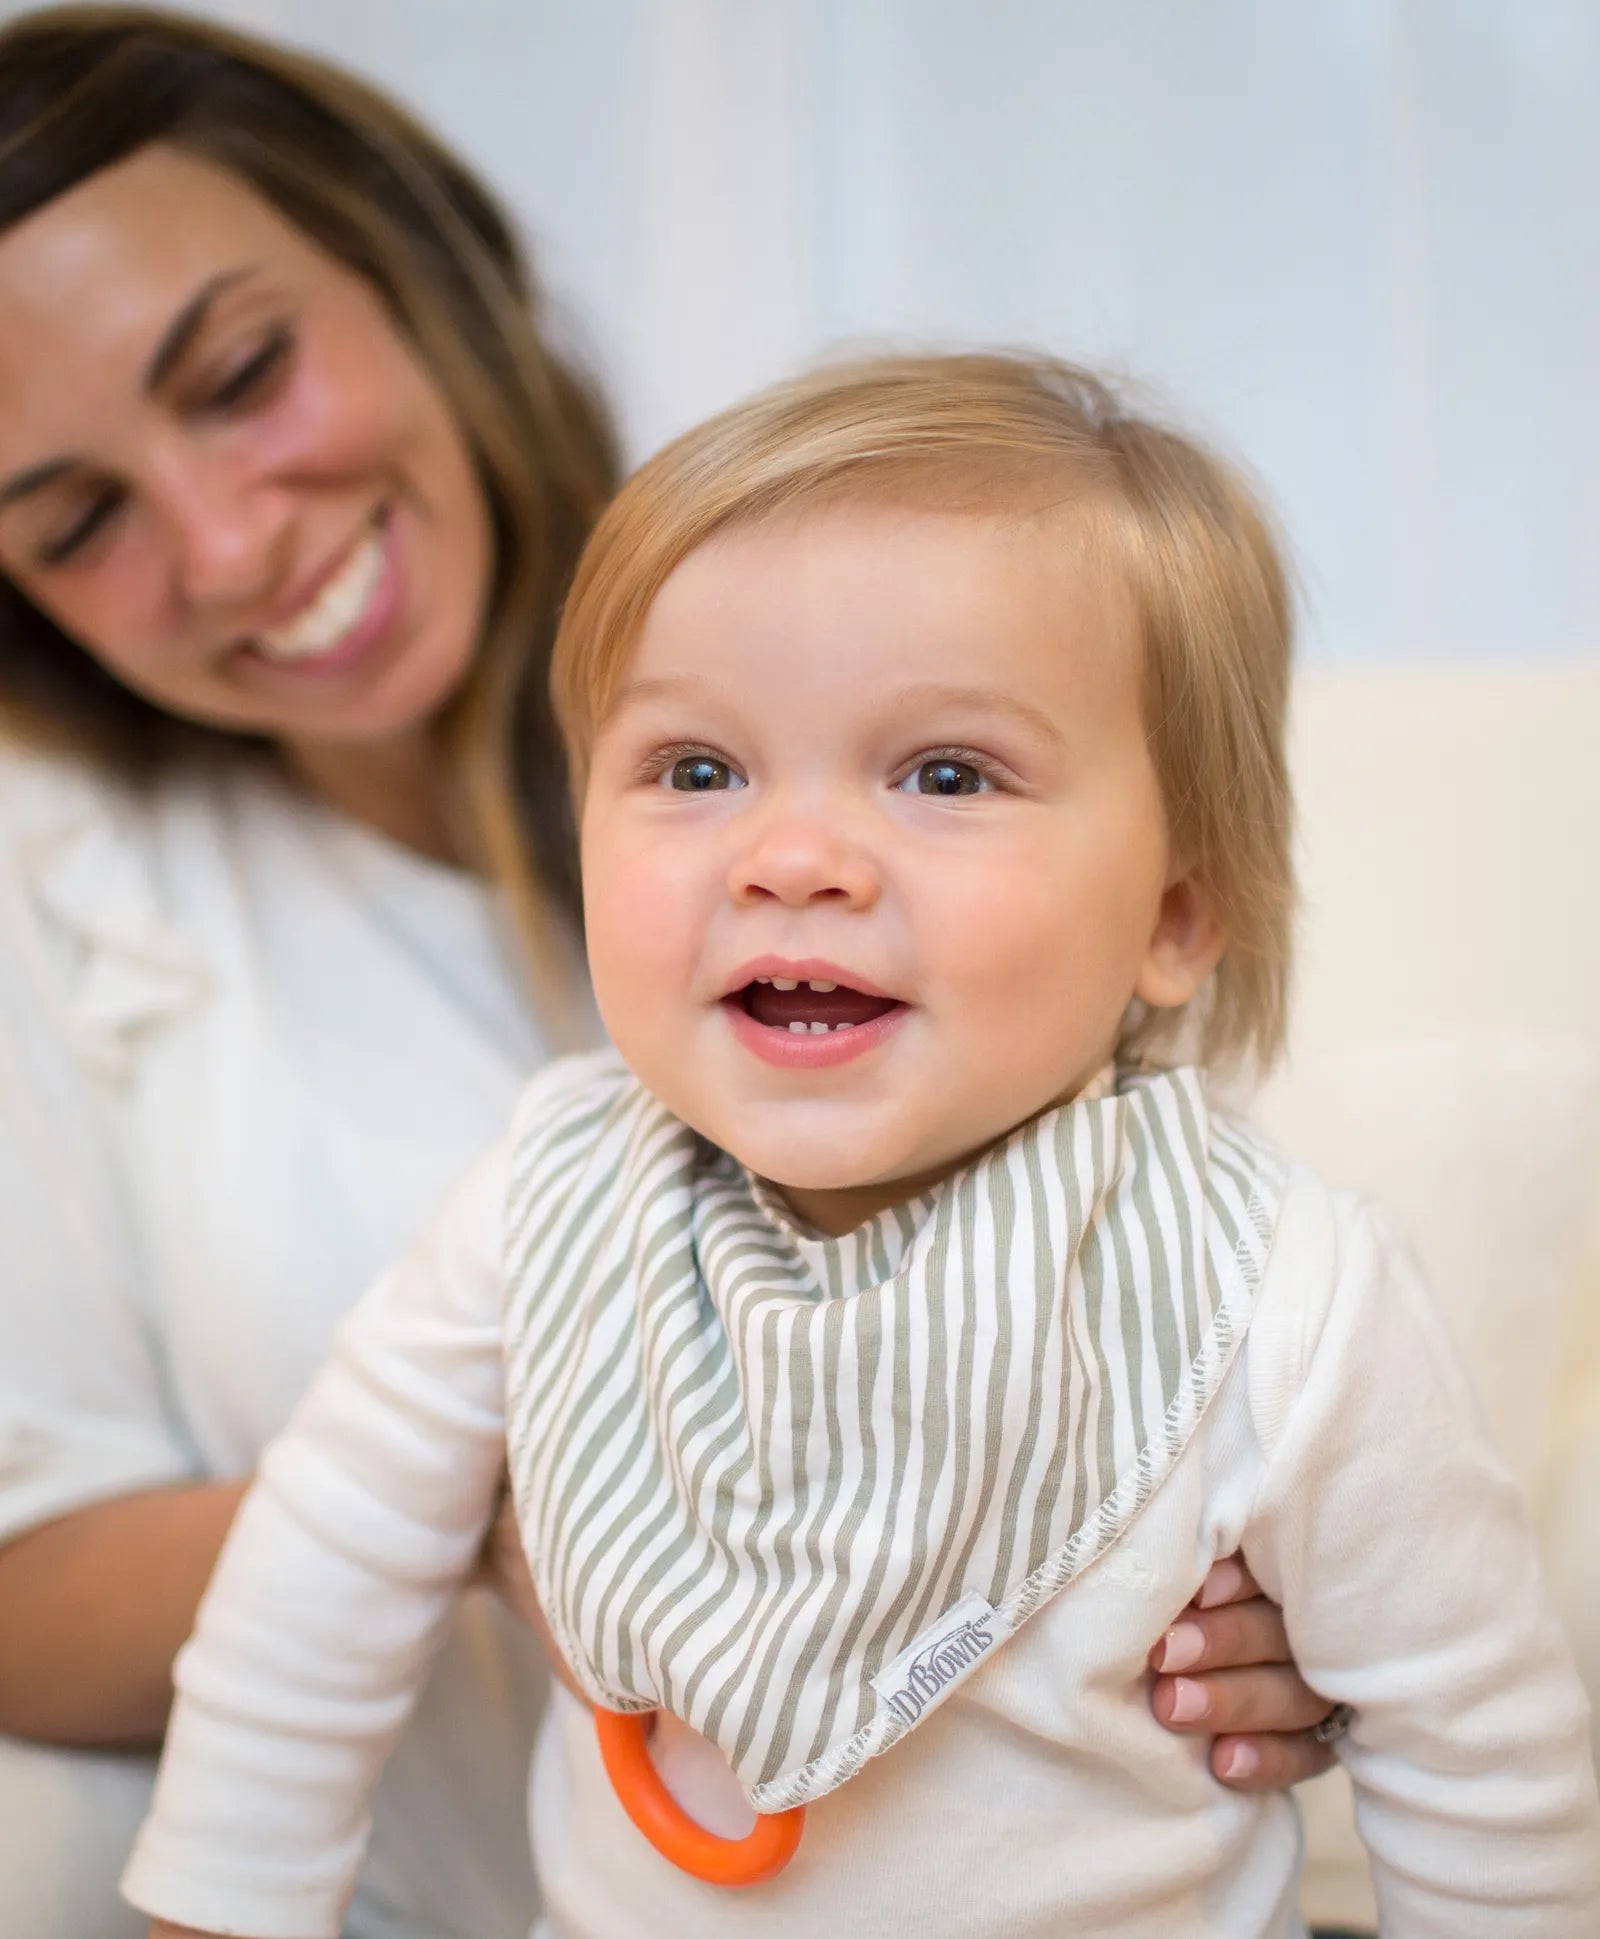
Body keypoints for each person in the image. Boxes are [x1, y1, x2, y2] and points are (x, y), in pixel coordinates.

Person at [0, 8, 1355, 1937]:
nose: (224, 545)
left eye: (241, 373)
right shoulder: (51, 895)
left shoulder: (858, 632)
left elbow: (1186, 1343)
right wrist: (498, 1489)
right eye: (77, 522)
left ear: (409, 258)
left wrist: (1269, 1608)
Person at [121, 353, 1600, 1939]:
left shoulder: (1274, 1292)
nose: (796, 858)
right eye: (697, 770)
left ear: (1176, 912)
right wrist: (221, 1910)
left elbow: (1483, 1772)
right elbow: (319, 1580)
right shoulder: (549, 1208)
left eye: (946, 774)